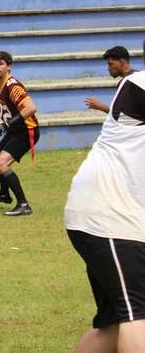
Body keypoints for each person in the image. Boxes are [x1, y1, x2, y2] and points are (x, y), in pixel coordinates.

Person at [64, 40, 145, 352]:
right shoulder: (137, 83)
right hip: (109, 218)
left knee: (112, 322)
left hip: (113, 218)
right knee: (139, 312)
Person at [0, 51, 39, 216]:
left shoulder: (13, 86)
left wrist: (12, 122)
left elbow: (31, 107)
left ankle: (24, 204)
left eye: (0, 64)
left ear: (9, 67)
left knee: (1, 163)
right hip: (15, 131)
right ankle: (4, 195)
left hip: (27, 131)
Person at [85, 46, 135, 113]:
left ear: (122, 62)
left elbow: (123, 116)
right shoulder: (131, 79)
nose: (108, 69)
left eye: (111, 64)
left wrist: (100, 106)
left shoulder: (129, 83)